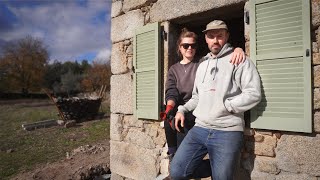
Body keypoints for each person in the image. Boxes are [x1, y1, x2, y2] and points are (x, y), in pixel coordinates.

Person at [169, 20, 261, 180]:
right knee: (177, 172)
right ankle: (221, 165)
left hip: (227, 131)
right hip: (200, 128)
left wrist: (227, 105)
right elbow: (197, 96)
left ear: (227, 36)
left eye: (220, 36)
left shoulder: (239, 60)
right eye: (211, 36)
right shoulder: (203, 65)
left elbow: (253, 93)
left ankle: (224, 167)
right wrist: (181, 110)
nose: (215, 40)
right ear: (206, 39)